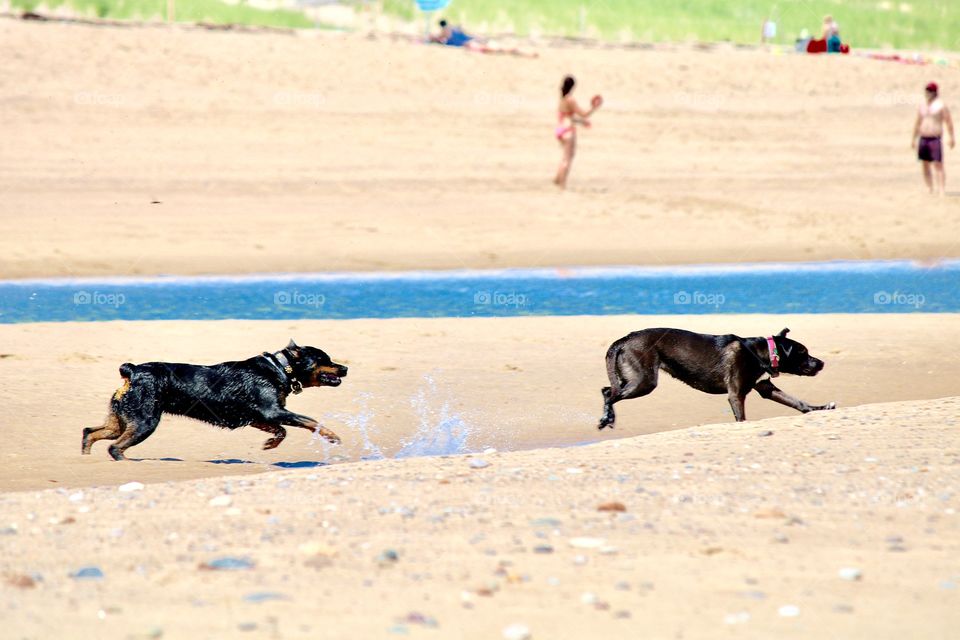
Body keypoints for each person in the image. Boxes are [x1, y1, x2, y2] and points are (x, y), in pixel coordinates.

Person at [554, 75, 602, 189]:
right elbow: (584, 113)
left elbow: (568, 117)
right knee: (568, 157)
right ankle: (562, 184)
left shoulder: (562, 99)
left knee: (565, 157)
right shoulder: (570, 100)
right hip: (568, 131)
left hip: (560, 129)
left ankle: (557, 179)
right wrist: (594, 107)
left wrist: (581, 122)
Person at [912, 82, 955, 195]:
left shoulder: (940, 105)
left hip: (935, 137)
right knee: (925, 163)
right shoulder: (922, 105)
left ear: (935, 92)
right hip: (924, 137)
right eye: (927, 91)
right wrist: (913, 138)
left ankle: (941, 189)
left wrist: (951, 137)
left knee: (938, 163)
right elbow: (918, 122)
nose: (928, 93)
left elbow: (948, 121)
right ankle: (929, 187)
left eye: (930, 91)